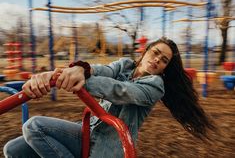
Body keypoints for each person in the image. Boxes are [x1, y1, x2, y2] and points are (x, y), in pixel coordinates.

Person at [4, 37, 215, 158]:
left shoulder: (155, 86)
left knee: (34, 126)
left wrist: (82, 81)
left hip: (108, 145)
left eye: (164, 60)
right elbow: (101, 70)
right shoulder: (125, 65)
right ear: (146, 51)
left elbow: (121, 91)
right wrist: (76, 70)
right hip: (86, 130)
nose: (157, 59)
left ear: (165, 68)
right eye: (156, 52)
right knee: (12, 150)